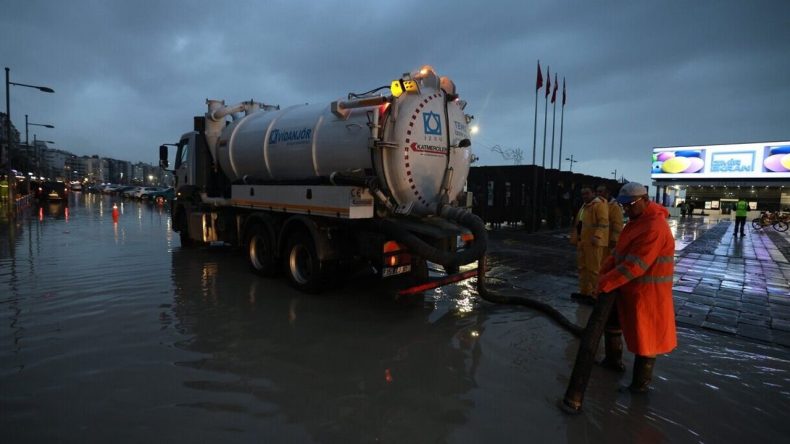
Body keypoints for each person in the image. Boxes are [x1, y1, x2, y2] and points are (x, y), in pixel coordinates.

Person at [594, 182, 677, 393]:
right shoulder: (635, 222)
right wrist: (604, 274)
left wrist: (606, 282)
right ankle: (613, 361)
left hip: (647, 293)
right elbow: (618, 253)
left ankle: (640, 385)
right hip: (628, 288)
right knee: (612, 322)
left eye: (629, 205)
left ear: (645, 200)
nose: (626, 209)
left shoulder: (654, 227)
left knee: (646, 339)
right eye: (623, 205)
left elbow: (635, 265)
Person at [569, 186, 609, 304]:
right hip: (584, 242)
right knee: (583, 269)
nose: (584, 196)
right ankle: (585, 292)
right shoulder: (584, 206)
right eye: (583, 194)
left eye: (587, 193)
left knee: (594, 270)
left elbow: (603, 222)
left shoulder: (599, 205)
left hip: (593, 243)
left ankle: (596, 295)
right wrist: (576, 239)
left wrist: (597, 236)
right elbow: (579, 224)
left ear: (593, 193)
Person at [597, 184, 624, 260]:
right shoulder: (598, 204)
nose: (598, 194)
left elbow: (618, 224)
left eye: (600, 191)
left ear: (607, 193)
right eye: (597, 192)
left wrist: (614, 239)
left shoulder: (614, 206)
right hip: (599, 238)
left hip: (608, 240)